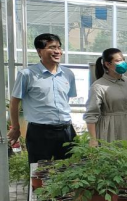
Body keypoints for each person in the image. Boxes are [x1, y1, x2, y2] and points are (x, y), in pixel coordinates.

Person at [8, 33, 77, 165]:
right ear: (39, 51)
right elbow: (14, 102)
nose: (57, 51)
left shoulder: (68, 74)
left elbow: (65, 100)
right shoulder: (27, 74)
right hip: (40, 132)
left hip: (66, 130)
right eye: (52, 47)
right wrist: (15, 128)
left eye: (59, 47)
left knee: (69, 170)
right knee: (39, 170)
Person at [84, 48, 127, 146]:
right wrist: (93, 139)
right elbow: (91, 114)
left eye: (123, 59)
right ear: (107, 64)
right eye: (118, 60)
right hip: (110, 128)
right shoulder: (98, 86)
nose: (123, 63)